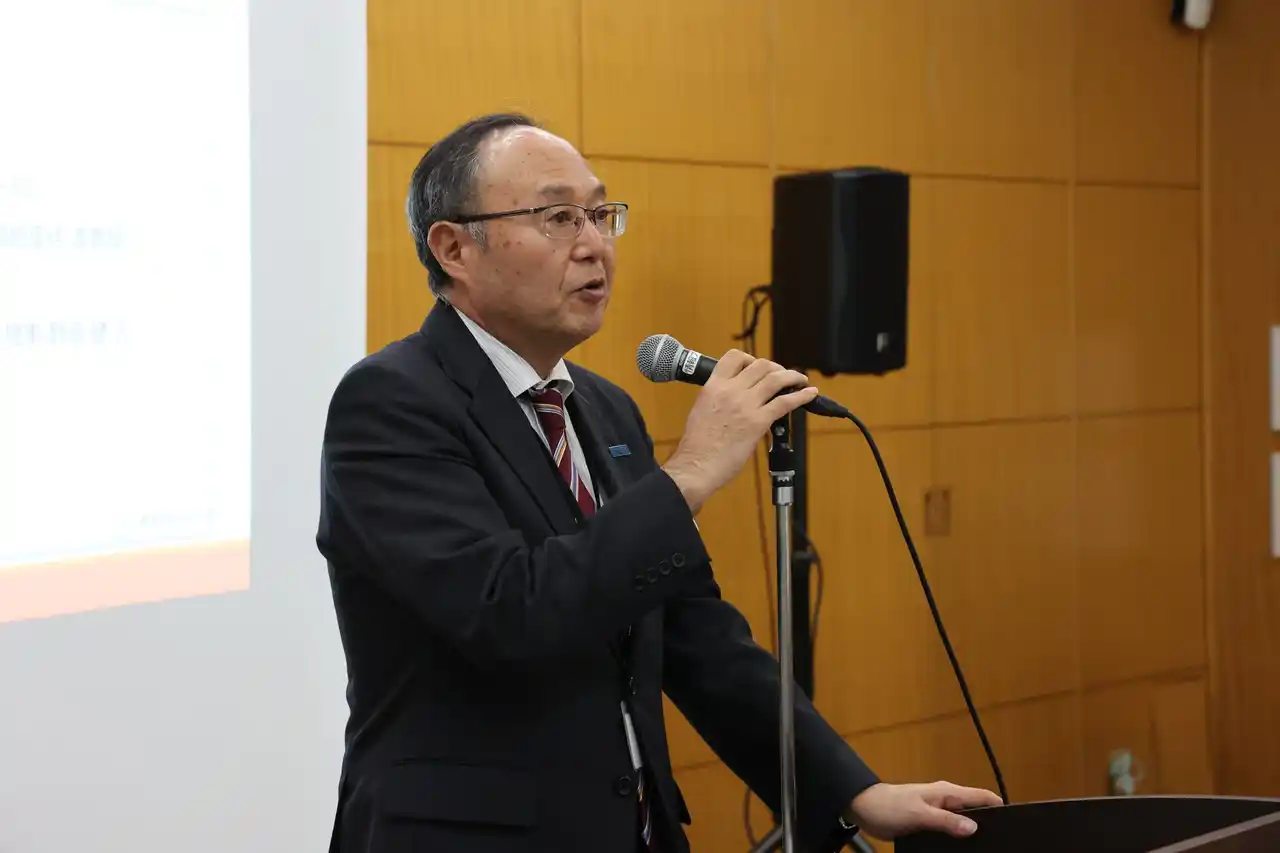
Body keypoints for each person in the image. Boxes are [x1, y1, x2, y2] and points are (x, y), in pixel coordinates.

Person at [316, 112, 1002, 853]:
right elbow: (508, 612)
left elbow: (693, 635)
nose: (594, 245)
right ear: (454, 248)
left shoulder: (604, 407)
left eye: (601, 214)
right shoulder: (391, 402)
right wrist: (691, 474)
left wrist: (854, 792)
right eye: (557, 217)